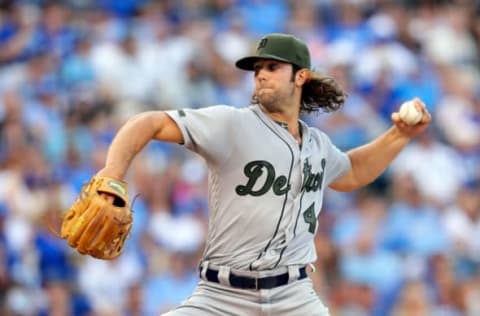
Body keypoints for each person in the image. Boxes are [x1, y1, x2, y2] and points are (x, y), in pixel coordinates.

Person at [95, 33, 431, 315]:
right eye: (257, 69)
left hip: (295, 298)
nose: (261, 75)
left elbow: (353, 171)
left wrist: (398, 135)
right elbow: (148, 122)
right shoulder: (232, 124)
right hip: (221, 298)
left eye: (272, 67)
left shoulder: (317, 144)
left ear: (301, 76)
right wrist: (113, 174)